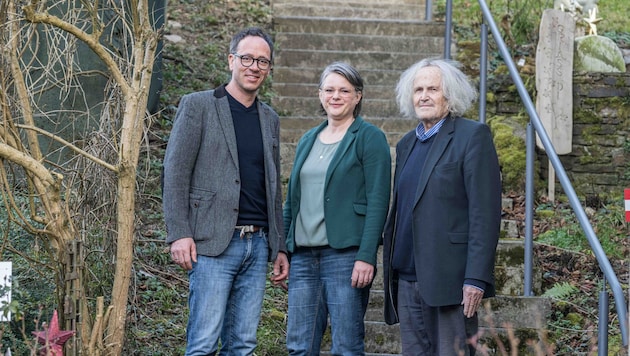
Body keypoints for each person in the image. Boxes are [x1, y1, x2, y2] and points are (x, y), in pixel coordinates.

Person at [162, 27, 289, 356]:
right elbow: (175, 171)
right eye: (247, 58)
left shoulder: (270, 119)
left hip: (258, 245)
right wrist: (179, 233)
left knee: (243, 345)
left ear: (270, 68)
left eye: (262, 61)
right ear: (231, 60)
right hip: (213, 243)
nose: (254, 66)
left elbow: (273, 187)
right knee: (203, 343)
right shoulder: (198, 106)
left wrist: (279, 246)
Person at [383, 58, 502, 356]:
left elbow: (484, 214)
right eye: (418, 89)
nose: (424, 95)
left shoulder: (472, 136)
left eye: (433, 89)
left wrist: (476, 278)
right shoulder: (407, 143)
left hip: (450, 280)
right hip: (407, 278)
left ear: (449, 96)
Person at [283, 62, 391, 355]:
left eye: (345, 90)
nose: (336, 96)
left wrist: (367, 255)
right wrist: (283, 248)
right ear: (319, 95)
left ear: (358, 96)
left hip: (345, 257)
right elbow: (292, 200)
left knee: (346, 346)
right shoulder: (307, 139)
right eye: (329, 89)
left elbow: (378, 200)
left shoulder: (369, 138)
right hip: (303, 258)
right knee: (299, 347)